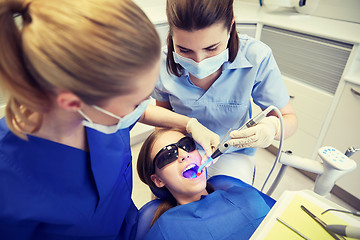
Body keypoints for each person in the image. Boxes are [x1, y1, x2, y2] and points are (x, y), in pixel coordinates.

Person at [0, 0, 219, 239]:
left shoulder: (101, 114)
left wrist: (189, 124)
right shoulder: (9, 183)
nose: (143, 107)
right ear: (73, 103)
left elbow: (142, 111)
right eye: (135, 102)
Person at [152, 0, 298, 184]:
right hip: (183, 151)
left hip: (233, 154)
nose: (199, 61)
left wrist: (272, 127)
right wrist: (174, 154)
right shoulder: (161, 63)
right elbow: (161, 120)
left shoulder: (256, 56)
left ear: (231, 27)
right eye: (184, 50)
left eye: (211, 48)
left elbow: (289, 118)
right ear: (171, 34)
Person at [136, 128, 274, 240]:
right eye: (168, 155)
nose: (184, 154)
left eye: (187, 145)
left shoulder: (239, 193)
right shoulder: (165, 230)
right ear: (158, 180)